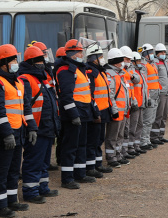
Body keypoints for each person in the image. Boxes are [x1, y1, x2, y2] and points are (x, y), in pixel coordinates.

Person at [0, 44, 36, 217]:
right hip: (3, 134)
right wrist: (6, 134)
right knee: (0, 169)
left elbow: (25, 106)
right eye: (12, 59)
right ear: (3, 62)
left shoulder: (17, 81)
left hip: (18, 130)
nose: (16, 62)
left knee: (14, 168)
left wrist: (32, 127)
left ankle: (12, 200)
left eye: (16, 59)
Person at [18, 45, 61, 202]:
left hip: (46, 126)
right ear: (32, 62)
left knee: (44, 161)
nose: (42, 63)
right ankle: (31, 193)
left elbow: (50, 102)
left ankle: (42, 188)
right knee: (34, 161)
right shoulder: (25, 79)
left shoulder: (42, 78)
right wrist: (31, 127)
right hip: (36, 127)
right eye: (39, 61)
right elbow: (26, 105)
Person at [55, 39, 97, 186]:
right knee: (70, 147)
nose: (82, 54)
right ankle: (67, 179)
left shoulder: (79, 69)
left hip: (83, 112)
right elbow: (66, 96)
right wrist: (73, 115)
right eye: (80, 52)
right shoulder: (66, 70)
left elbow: (86, 93)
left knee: (81, 145)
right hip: (74, 114)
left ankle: (79, 174)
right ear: (72, 54)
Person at [83, 41, 113, 174]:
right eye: (100, 56)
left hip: (103, 111)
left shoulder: (100, 71)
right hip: (96, 113)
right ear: (93, 58)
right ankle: (90, 167)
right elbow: (90, 94)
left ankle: (98, 164)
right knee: (92, 141)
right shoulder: (91, 72)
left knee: (99, 139)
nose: (102, 58)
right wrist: (95, 113)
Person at [103, 48, 129, 166]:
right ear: (115, 61)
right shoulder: (110, 74)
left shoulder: (119, 73)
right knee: (112, 136)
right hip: (117, 110)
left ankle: (118, 155)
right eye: (121, 60)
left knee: (119, 135)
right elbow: (111, 94)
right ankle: (111, 157)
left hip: (122, 109)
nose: (123, 63)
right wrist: (114, 110)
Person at [139, 43, 161, 150]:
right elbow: (145, 83)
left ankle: (147, 140)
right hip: (149, 95)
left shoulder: (152, 64)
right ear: (146, 53)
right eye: (151, 52)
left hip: (155, 94)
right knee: (147, 120)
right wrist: (147, 97)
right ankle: (143, 142)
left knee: (151, 119)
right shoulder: (144, 66)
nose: (152, 54)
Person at [151, 43, 168, 144]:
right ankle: (154, 137)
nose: (164, 53)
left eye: (164, 52)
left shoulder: (166, 62)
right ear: (157, 53)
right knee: (158, 115)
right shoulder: (155, 63)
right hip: (160, 93)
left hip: (166, 92)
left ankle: (160, 135)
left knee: (164, 116)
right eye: (162, 52)